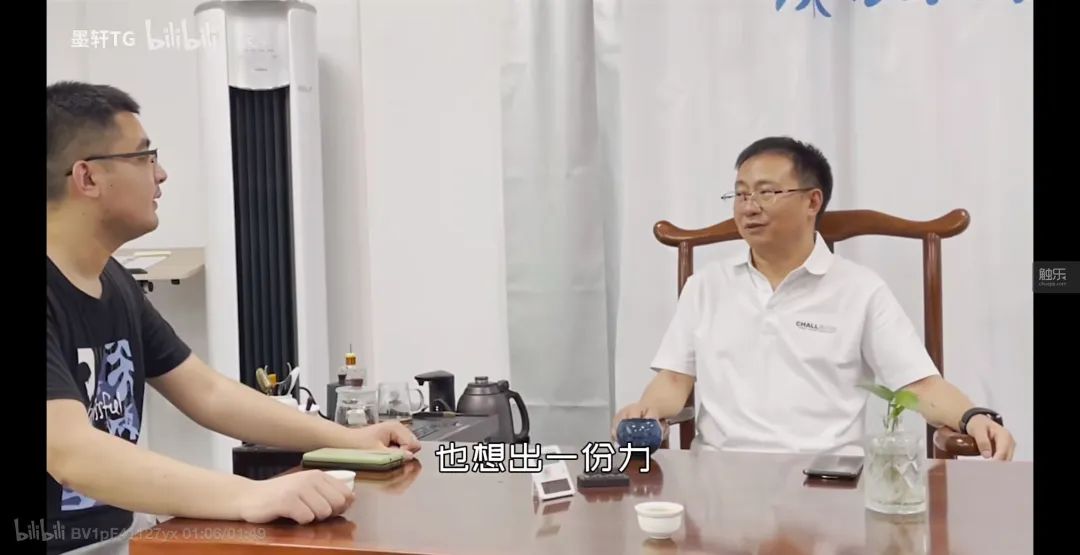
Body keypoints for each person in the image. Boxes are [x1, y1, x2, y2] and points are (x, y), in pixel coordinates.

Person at [46, 81, 421, 555]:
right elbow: (71, 453)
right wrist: (249, 495)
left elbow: (208, 393)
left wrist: (348, 438)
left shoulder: (114, 281)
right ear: (87, 177)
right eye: (143, 157)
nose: (160, 174)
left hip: (121, 539)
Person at [612, 136, 1016, 461]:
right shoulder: (706, 286)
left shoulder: (859, 289)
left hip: (828, 482)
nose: (748, 207)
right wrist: (646, 411)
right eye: (740, 194)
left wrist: (972, 417)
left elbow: (920, 384)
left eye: (766, 192)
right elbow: (673, 380)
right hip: (723, 483)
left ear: (812, 201)